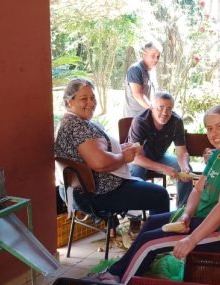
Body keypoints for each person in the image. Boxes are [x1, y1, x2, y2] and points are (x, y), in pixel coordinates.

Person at [87, 105, 220, 284]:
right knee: (151, 223)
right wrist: (186, 215)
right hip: (203, 217)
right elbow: (197, 190)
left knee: (150, 243)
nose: (214, 133)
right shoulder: (219, 154)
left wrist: (191, 240)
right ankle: (116, 272)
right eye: (209, 128)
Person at [55, 78, 169, 216]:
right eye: (84, 99)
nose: (91, 103)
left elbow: (92, 152)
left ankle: (144, 226)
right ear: (69, 101)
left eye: (92, 97)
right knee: (160, 195)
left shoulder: (68, 122)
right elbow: (100, 164)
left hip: (75, 192)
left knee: (141, 183)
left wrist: (119, 148)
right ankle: (157, 237)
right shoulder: (77, 127)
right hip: (96, 196)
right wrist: (124, 157)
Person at [128, 91, 193, 207]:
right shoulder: (140, 121)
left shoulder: (176, 121)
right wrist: (163, 168)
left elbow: (182, 151)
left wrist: (184, 167)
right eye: (160, 108)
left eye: (169, 108)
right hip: (139, 159)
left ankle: (183, 210)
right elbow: (135, 157)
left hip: (159, 156)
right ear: (152, 107)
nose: (165, 113)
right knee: (136, 171)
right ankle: (135, 214)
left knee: (186, 169)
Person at [123, 41, 162, 117]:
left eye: (158, 56)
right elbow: (138, 95)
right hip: (134, 119)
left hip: (147, 117)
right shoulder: (135, 69)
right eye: (153, 56)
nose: (156, 59)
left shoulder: (152, 71)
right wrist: (154, 110)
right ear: (144, 54)